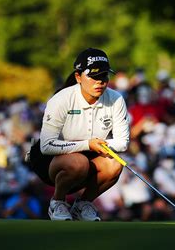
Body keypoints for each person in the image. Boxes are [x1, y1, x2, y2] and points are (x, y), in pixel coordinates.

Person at [28, 48, 130, 221]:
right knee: (78, 162)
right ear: (78, 77)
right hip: (50, 161)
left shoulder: (116, 99)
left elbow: (122, 142)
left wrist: (93, 145)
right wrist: (87, 144)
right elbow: (46, 146)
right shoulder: (61, 99)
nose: (100, 82)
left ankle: (82, 205)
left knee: (114, 164)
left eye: (104, 76)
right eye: (94, 76)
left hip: (89, 159)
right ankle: (57, 202)